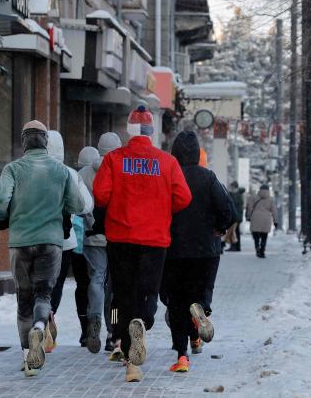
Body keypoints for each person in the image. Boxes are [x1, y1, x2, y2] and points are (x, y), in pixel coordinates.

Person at [93, 106, 192, 382]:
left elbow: (100, 195)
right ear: (151, 132)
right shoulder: (167, 162)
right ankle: (143, 321)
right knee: (148, 290)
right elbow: (183, 198)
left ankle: (129, 357)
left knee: (123, 294)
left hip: (120, 238)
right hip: (154, 239)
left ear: (129, 130)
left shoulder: (114, 159)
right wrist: (161, 207)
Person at [0, 120, 87, 377]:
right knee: (43, 294)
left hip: (21, 242)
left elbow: (0, 201)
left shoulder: (13, 169)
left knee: (24, 298)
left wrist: (4, 214)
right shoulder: (61, 171)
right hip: (51, 242)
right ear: (45, 141)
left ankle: (27, 357)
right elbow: (78, 205)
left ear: (24, 141)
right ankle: (39, 325)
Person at [164, 131, 233, 372]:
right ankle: (201, 310)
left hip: (174, 248)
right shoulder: (208, 177)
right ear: (196, 153)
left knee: (176, 301)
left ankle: (182, 356)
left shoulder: (169, 175)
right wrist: (220, 227)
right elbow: (228, 210)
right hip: (206, 248)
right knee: (200, 292)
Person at [47, 131, 93, 352]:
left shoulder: (26, 172)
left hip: (32, 238)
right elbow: (85, 205)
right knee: (66, 284)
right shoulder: (70, 174)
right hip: (67, 240)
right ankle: (97, 329)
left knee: (40, 283)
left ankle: (43, 319)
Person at [79, 133, 122, 354]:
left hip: (92, 236)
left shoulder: (84, 173)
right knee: (113, 290)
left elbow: (78, 203)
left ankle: (94, 321)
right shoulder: (121, 170)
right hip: (116, 236)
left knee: (96, 280)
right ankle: (112, 331)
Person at [245, 184, 278, 258]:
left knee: (255, 235)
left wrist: (248, 216)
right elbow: (274, 211)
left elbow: (249, 207)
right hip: (266, 218)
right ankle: (262, 250)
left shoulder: (253, 197)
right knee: (264, 235)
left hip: (255, 217)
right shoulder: (271, 199)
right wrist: (275, 221)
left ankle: (257, 247)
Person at [226, 181, 245, 251]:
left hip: (236, 216)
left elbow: (233, 203)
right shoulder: (237, 194)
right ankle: (236, 246)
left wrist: (230, 193)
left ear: (234, 187)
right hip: (237, 215)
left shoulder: (237, 194)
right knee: (235, 231)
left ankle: (234, 246)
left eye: (231, 187)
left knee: (233, 231)